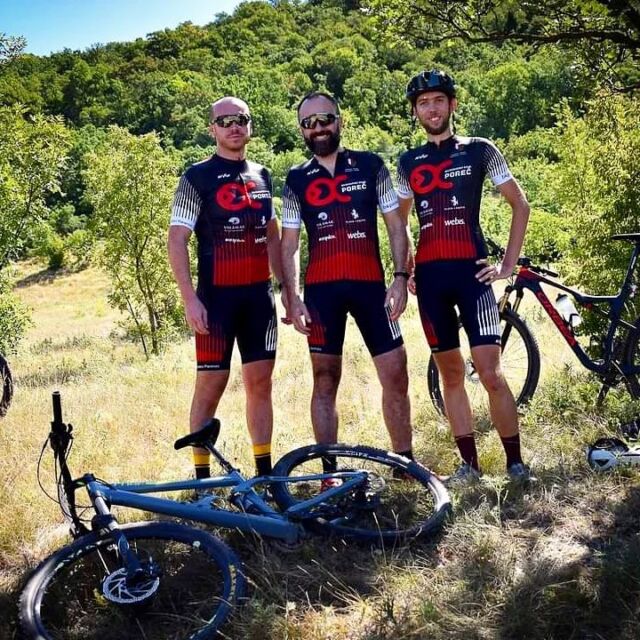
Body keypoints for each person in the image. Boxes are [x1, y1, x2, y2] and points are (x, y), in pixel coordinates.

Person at [397, 70, 532, 483]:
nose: (431, 109)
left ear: (452, 105)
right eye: (423, 103)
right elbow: (399, 223)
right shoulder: (409, 161)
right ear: (416, 111)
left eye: (438, 100)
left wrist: (507, 266)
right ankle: (469, 466)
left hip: (473, 276)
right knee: (450, 374)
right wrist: (405, 271)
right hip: (432, 281)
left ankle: (515, 464)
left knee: (490, 373)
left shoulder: (479, 150)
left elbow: (520, 205)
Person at [280, 91, 414, 484]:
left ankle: (405, 465)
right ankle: (328, 473)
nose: (318, 127)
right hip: (322, 295)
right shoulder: (295, 179)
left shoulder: (371, 166)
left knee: (396, 375)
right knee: (324, 381)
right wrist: (292, 296)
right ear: (302, 130)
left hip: (373, 287)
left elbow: (395, 224)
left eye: (325, 119)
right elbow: (290, 244)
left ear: (339, 120)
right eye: (309, 123)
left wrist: (400, 277)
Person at [168, 96, 283, 480]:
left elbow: (272, 234)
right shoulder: (196, 177)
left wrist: (285, 287)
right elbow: (176, 239)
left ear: (250, 126)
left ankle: (263, 474)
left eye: (241, 120)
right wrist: (189, 298)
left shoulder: (263, 175)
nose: (234, 126)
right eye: (225, 121)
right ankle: (202, 480)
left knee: (260, 384)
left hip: (259, 299)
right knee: (210, 386)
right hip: (215, 301)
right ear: (212, 129)